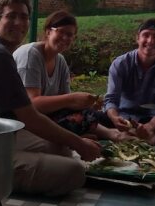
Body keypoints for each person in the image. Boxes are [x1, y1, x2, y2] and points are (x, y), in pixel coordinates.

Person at [0, 0, 101, 197]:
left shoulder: (0, 52)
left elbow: (26, 116)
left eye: (24, 17)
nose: (18, 22)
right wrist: (79, 142)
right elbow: (30, 115)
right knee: (73, 171)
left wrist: (74, 141)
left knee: (62, 149)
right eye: (11, 16)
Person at [13, 10, 131, 141]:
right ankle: (99, 136)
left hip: (49, 115)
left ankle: (111, 133)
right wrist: (72, 99)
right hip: (25, 120)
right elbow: (32, 104)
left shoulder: (60, 60)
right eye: (61, 32)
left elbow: (66, 106)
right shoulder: (30, 55)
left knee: (98, 115)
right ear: (48, 31)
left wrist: (86, 103)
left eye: (69, 35)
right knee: (83, 119)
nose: (65, 38)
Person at [103, 18, 155, 145]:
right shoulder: (120, 64)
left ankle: (128, 138)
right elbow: (111, 99)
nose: (150, 41)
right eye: (146, 35)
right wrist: (115, 119)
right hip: (123, 117)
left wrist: (149, 127)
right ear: (137, 38)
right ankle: (130, 137)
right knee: (93, 120)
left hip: (150, 120)